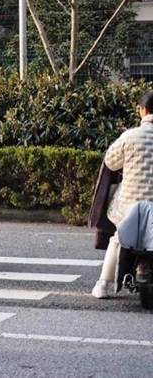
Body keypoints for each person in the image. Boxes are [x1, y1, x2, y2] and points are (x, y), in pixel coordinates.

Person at [92, 89, 153, 299]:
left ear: (142, 110)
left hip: (129, 207)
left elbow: (110, 161)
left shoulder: (129, 136)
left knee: (117, 239)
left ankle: (103, 285)